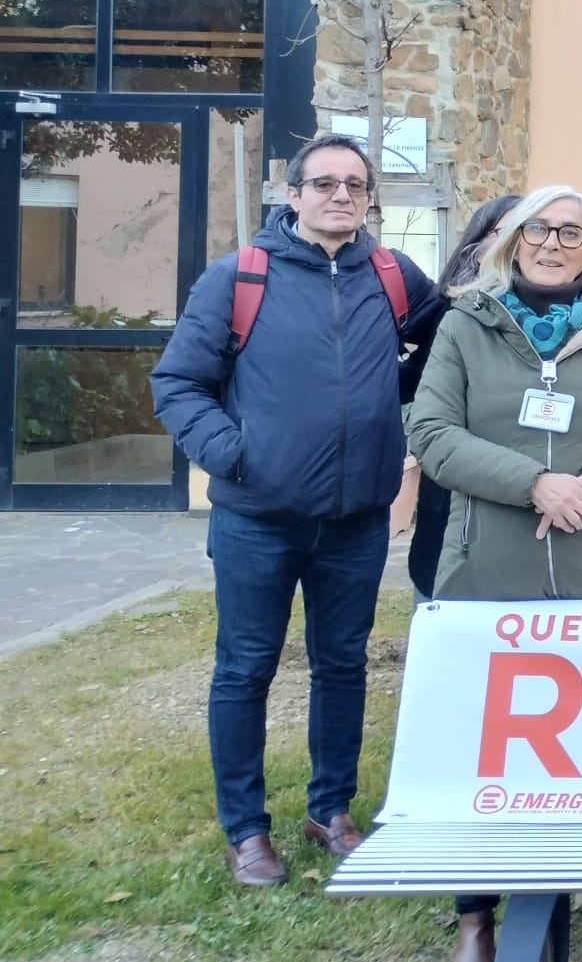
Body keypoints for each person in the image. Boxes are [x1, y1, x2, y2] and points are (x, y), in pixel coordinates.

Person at [151, 133, 443, 887]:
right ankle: (246, 831)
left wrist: (389, 404)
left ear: (369, 197)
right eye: (323, 184)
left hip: (354, 520)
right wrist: (239, 455)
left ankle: (330, 808)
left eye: (354, 185)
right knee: (245, 669)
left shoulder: (393, 276)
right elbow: (178, 383)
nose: (339, 196)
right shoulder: (239, 278)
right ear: (294, 195)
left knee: (342, 665)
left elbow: (444, 356)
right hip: (257, 518)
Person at [409, 185, 582, 962]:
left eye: (572, 232)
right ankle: (476, 920)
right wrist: (535, 484)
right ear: (512, 241)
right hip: (485, 568)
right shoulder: (466, 321)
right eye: (539, 230)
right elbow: (430, 432)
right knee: (478, 749)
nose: (554, 242)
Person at [407, 193, 521, 600]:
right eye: (504, 231)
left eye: (530, 229)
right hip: (455, 505)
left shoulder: (575, 318)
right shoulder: (450, 315)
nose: (519, 242)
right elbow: (415, 391)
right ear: (478, 245)